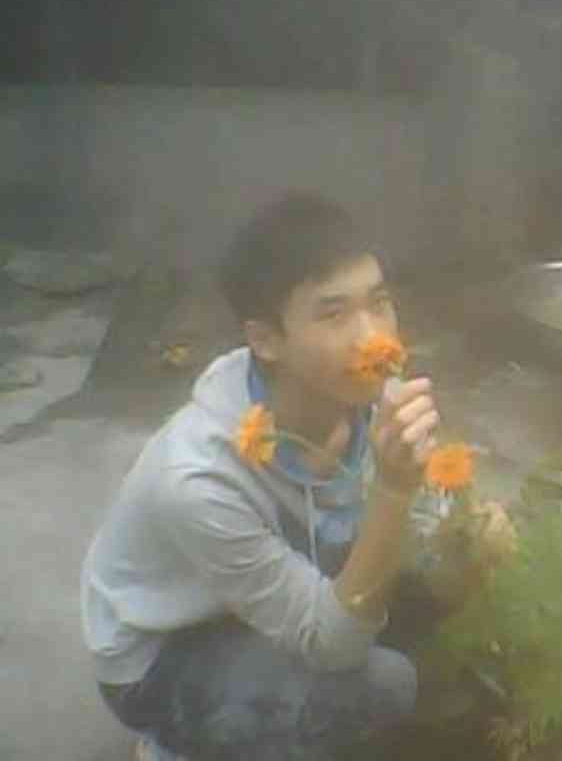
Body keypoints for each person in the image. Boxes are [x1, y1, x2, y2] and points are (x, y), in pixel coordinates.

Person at [81, 191, 440, 761]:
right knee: (382, 682)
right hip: (165, 650)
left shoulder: (363, 395)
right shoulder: (196, 479)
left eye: (379, 303)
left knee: (432, 596)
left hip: (257, 590)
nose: (373, 338)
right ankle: (178, 742)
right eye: (333, 314)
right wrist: (394, 489)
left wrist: (459, 533)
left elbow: (423, 527)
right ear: (265, 339)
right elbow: (335, 646)